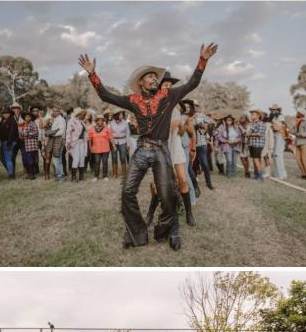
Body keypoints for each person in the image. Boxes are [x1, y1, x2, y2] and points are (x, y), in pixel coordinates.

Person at [78, 42, 218, 251]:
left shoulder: (168, 95)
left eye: (155, 77)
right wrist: (92, 74)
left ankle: (167, 230)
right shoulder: (132, 100)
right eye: (150, 76)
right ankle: (137, 233)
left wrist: (203, 60)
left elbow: (193, 83)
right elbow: (106, 95)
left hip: (162, 149)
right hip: (142, 149)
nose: (155, 79)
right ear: (141, 82)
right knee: (127, 191)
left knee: (168, 193)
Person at [146, 74, 196, 228]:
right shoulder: (154, 107)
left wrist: (181, 126)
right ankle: (150, 214)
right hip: (161, 148)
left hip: (175, 147)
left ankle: (189, 213)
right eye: (165, 84)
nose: (168, 87)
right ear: (159, 88)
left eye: (170, 85)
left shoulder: (175, 107)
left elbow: (180, 133)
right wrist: (170, 126)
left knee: (183, 180)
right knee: (157, 184)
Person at [65, 108, 89, 181]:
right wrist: (68, 142)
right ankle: (73, 177)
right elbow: (68, 132)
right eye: (82, 114)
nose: (83, 115)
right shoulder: (71, 121)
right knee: (76, 158)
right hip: (74, 142)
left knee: (82, 158)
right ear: (78, 114)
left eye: (84, 114)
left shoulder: (82, 122)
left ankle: (81, 176)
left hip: (82, 142)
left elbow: (85, 131)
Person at [45, 106, 67, 182]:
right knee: (55, 160)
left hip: (59, 139)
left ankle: (61, 176)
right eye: (53, 111)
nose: (54, 112)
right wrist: (52, 132)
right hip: (53, 140)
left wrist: (51, 133)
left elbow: (61, 131)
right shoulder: (54, 119)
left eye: (56, 111)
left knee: (57, 159)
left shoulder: (61, 119)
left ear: (59, 112)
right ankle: (58, 175)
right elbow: (51, 130)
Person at [0, 107, 21, 179]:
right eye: (4, 113)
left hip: (9, 141)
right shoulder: (3, 121)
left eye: (7, 113)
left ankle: (11, 174)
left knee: (8, 158)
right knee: (2, 158)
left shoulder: (12, 121)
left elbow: (12, 133)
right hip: (3, 142)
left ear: (10, 114)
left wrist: (9, 143)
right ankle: (11, 172)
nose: (5, 114)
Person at [88, 116, 113, 180]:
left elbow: (110, 138)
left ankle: (105, 176)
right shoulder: (92, 129)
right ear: (96, 121)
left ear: (103, 121)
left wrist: (114, 145)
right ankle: (96, 176)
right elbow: (90, 139)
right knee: (97, 162)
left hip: (105, 148)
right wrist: (90, 148)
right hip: (96, 149)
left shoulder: (106, 129)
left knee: (105, 162)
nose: (100, 122)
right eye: (99, 120)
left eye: (101, 120)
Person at [246, 109, 267, 181]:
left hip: (258, 144)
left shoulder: (261, 123)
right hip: (252, 144)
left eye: (253, 114)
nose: (251, 116)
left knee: (256, 159)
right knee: (255, 159)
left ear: (258, 116)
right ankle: (256, 174)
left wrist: (250, 134)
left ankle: (260, 176)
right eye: (251, 114)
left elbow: (259, 134)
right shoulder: (252, 124)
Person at [292, 109, 306, 180]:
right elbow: (293, 132)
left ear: (302, 114)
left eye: (298, 112)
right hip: (298, 142)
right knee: (298, 159)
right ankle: (304, 174)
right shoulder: (297, 121)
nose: (297, 113)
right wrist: (294, 125)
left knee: (305, 159)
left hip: (305, 142)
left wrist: (301, 134)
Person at [108, 110, 130, 179]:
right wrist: (113, 144)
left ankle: (124, 173)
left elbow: (127, 133)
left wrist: (128, 144)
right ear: (116, 115)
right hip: (114, 142)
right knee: (114, 157)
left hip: (123, 141)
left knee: (123, 157)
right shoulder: (111, 123)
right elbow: (110, 134)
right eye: (120, 115)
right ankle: (115, 173)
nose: (122, 116)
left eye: (122, 114)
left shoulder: (125, 123)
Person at [20, 111, 40, 179]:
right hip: (25, 144)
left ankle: (32, 174)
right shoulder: (25, 124)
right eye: (26, 117)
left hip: (31, 145)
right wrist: (22, 134)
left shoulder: (33, 124)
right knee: (26, 160)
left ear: (31, 118)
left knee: (30, 159)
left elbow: (36, 133)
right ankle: (29, 173)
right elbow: (22, 133)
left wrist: (26, 134)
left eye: (29, 116)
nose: (27, 118)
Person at [270, 114, 288, 179]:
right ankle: (277, 174)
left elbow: (280, 128)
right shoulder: (275, 132)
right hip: (276, 137)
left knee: (278, 156)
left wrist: (275, 127)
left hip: (280, 139)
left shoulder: (283, 129)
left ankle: (281, 175)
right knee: (275, 156)